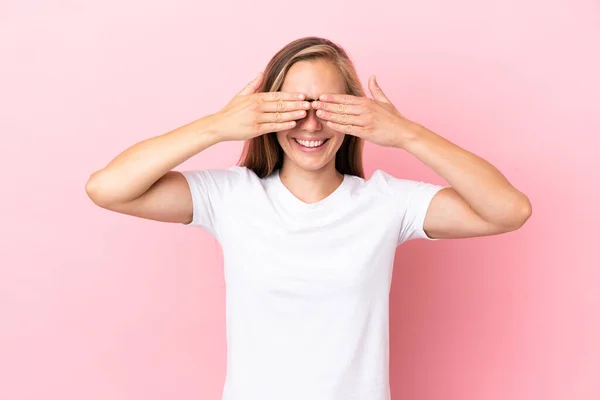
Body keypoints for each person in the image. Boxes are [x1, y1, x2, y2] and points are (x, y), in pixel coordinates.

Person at [85, 37, 532, 400]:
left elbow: (508, 210)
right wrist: (217, 126)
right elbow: (107, 188)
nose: (311, 124)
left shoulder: (387, 203)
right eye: (294, 107)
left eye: (328, 107)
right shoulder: (230, 197)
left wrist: (407, 134)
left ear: (356, 114)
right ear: (267, 113)